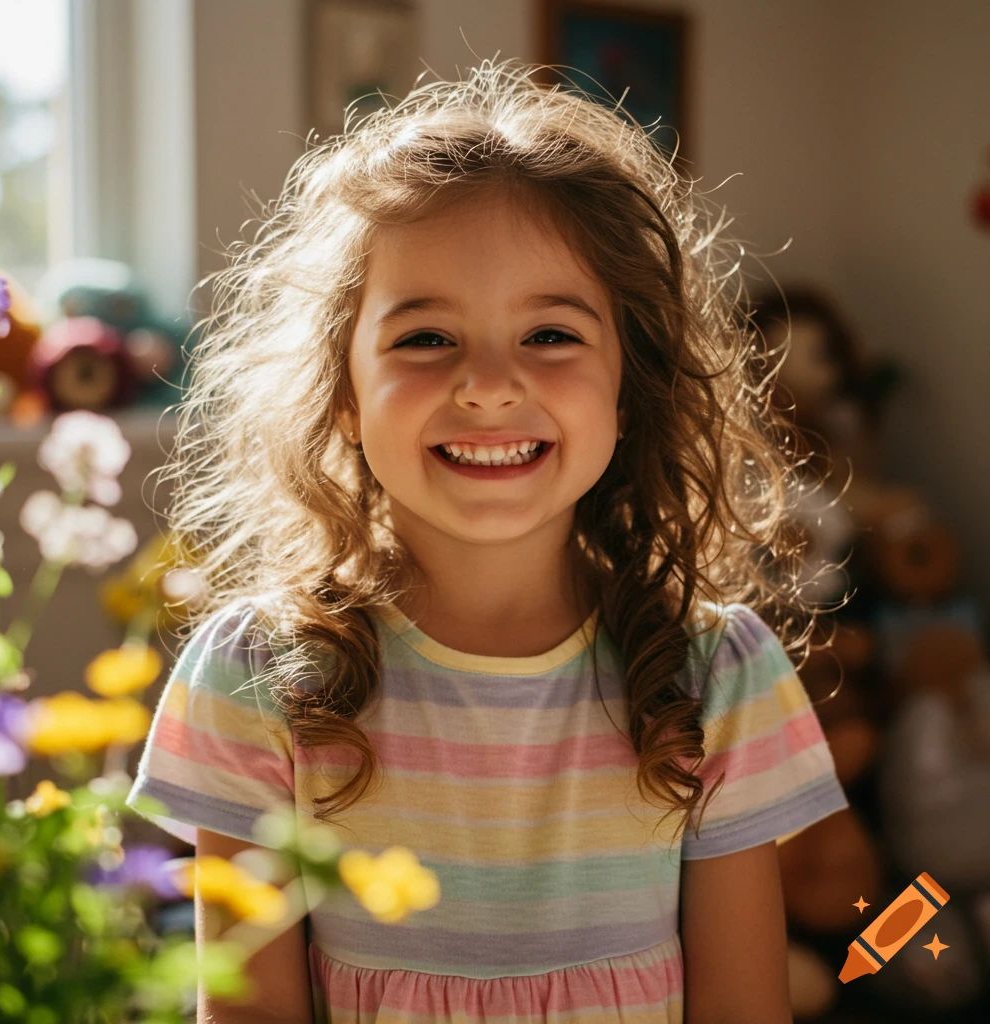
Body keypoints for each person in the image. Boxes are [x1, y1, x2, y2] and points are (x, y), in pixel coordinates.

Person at [126, 58, 849, 1024]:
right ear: (342, 393)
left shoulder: (718, 676)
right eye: (426, 339)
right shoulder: (255, 676)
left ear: (629, 385)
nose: (490, 384)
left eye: (551, 334)